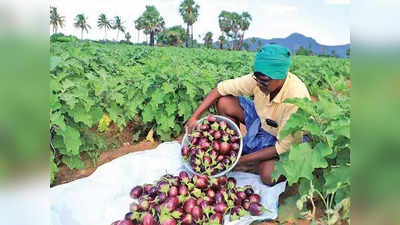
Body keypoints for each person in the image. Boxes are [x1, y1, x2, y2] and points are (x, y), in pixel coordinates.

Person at [185, 44, 311, 186]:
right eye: (257, 79)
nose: (260, 84)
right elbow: (220, 89)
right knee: (225, 101)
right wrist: (194, 117)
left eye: (265, 81)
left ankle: (254, 162)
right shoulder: (259, 80)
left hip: (290, 140)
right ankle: (233, 146)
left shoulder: (296, 98)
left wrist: (240, 162)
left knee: (268, 175)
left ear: (280, 77)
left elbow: (283, 147)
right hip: (263, 120)